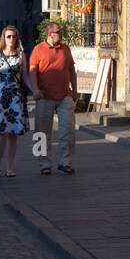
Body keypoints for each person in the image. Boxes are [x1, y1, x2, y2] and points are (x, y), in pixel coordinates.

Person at [29, 22, 78, 174]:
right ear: (50, 35)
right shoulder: (38, 50)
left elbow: (71, 69)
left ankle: (66, 162)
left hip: (64, 95)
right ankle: (43, 164)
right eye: (58, 32)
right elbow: (32, 70)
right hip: (44, 96)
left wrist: (75, 89)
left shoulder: (65, 49)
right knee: (41, 133)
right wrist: (35, 89)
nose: (61, 35)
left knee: (68, 131)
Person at [0, 26, 33, 176]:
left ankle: (9, 167)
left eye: (14, 36)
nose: (11, 39)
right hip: (1, 96)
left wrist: (34, 90)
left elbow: (25, 76)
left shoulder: (21, 56)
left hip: (16, 96)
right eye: (8, 37)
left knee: (13, 133)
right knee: (2, 133)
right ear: (3, 38)